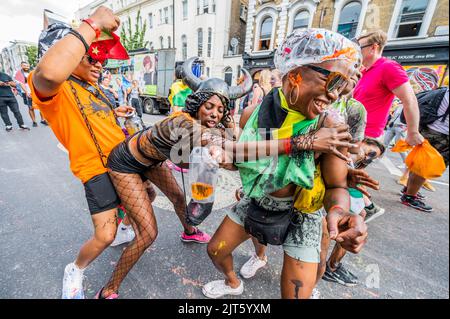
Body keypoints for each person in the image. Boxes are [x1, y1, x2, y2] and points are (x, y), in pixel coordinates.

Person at [203, 28, 368, 299]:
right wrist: (222, 159)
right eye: (335, 81)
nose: (337, 94)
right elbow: (244, 159)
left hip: (303, 213)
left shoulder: (330, 125)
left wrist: (339, 210)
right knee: (216, 250)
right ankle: (233, 282)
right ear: (295, 76)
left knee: (298, 292)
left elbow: (337, 185)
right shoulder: (251, 115)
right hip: (259, 200)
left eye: (344, 86)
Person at [100, 57, 256, 299]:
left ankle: (189, 231)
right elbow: (228, 155)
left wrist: (228, 126)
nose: (214, 114)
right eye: (209, 106)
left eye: (220, 109)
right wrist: (259, 151)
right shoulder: (184, 123)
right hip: (125, 163)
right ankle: (108, 289)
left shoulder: (204, 123)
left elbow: (228, 141)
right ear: (197, 104)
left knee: (176, 195)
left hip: (151, 160)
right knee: (148, 234)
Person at [29, 7, 132, 299]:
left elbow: (94, 118)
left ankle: (124, 227)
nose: (100, 63)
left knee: (143, 197)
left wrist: (116, 111)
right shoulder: (56, 90)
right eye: (92, 57)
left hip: (121, 162)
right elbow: (48, 73)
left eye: (102, 59)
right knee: (104, 235)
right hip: (96, 170)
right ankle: (76, 268)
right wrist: (94, 23)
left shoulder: (92, 87)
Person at [352, 30, 424, 221]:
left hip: (368, 137)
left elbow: (409, 99)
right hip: (354, 133)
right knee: (351, 174)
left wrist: (413, 131)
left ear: (374, 47)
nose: (356, 51)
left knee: (344, 173)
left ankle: (364, 210)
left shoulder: (389, 67)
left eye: (360, 47)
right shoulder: (363, 71)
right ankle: (364, 208)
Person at [401, 87, 449, 212]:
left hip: (429, 129)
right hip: (441, 134)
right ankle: (410, 196)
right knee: (425, 168)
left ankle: (409, 190)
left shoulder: (445, 90)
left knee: (419, 164)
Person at [15, 62, 48, 127]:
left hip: (35, 92)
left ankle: (43, 120)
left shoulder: (33, 72)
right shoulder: (19, 74)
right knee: (30, 107)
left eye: (27, 65)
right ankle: (34, 121)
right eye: (24, 65)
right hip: (27, 92)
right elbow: (21, 84)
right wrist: (27, 92)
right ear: (21, 66)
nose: (26, 67)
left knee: (41, 106)